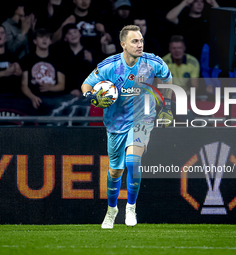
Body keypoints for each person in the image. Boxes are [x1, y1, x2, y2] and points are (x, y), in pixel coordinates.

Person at [81, 25, 173, 229]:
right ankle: (111, 210)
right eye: (134, 41)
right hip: (115, 124)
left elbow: (168, 78)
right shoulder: (110, 66)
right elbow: (86, 85)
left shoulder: (152, 62)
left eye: (141, 41)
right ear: (123, 44)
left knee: (133, 161)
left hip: (142, 119)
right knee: (115, 172)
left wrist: (167, 106)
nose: (140, 45)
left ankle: (131, 207)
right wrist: (93, 97)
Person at [20, 28, 66, 115]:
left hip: (53, 99)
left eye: (47, 37)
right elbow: (23, 85)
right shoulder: (27, 59)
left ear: (50, 42)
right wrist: (32, 97)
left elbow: (61, 85)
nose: (44, 39)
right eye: (41, 37)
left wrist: (50, 88)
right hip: (33, 98)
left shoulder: (57, 60)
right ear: (34, 41)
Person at [58, 23, 99, 97]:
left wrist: (92, 61)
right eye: (69, 33)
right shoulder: (62, 55)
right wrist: (70, 89)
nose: (73, 35)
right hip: (67, 93)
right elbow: (62, 76)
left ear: (80, 34)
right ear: (65, 38)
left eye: (75, 32)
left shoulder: (90, 52)